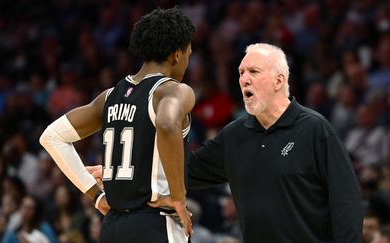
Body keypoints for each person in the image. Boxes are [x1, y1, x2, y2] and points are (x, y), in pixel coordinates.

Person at [89, 43, 363, 242]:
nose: (244, 78)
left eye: (253, 71)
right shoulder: (236, 135)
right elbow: (187, 169)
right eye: (242, 72)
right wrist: (126, 169)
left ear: (279, 80)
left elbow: (346, 203)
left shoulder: (315, 129)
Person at [40, 7, 195, 242]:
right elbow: (166, 123)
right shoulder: (173, 90)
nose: (187, 61)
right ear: (177, 54)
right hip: (154, 223)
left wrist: (96, 197)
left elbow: (51, 136)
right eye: (188, 54)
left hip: (112, 226)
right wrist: (178, 197)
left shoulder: (109, 96)